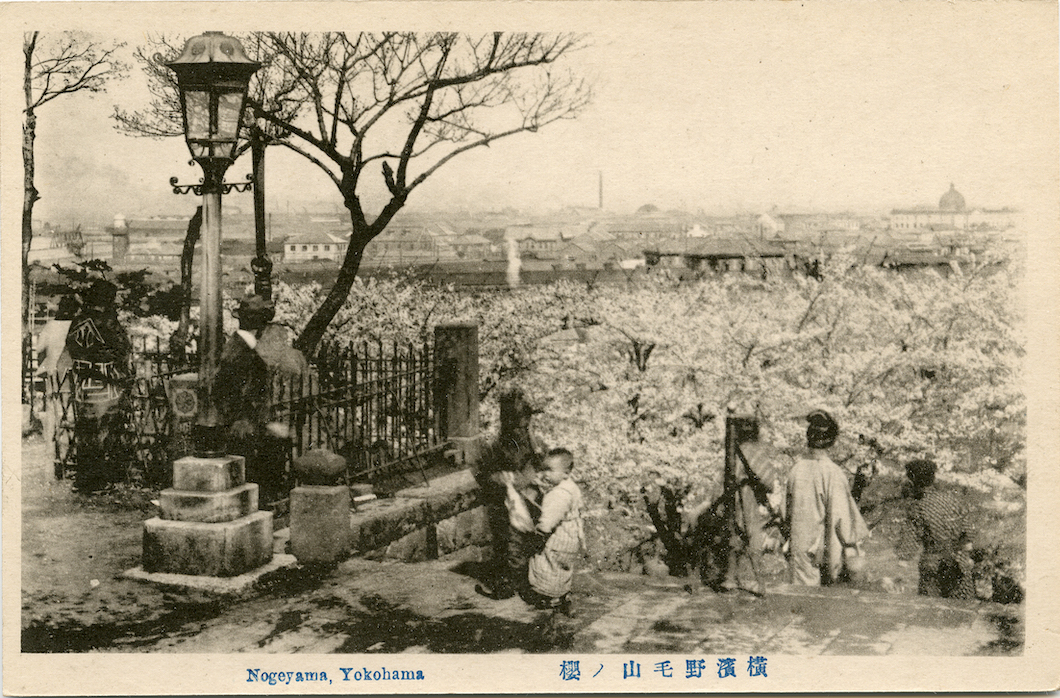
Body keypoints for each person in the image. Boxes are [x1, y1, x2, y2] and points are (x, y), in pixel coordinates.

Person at [213, 295, 289, 503]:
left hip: (253, 416)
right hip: (244, 418)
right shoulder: (239, 346)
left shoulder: (252, 344)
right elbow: (226, 386)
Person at [475, 388, 547, 600]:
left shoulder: (535, 444)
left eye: (525, 426)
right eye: (516, 426)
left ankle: (528, 581)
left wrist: (529, 473)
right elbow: (483, 473)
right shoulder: (496, 446)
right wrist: (501, 478)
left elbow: (544, 465)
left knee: (529, 542)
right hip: (506, 503)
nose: (520, 431)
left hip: (530, 501)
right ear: (506, 423)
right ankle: (509, 582)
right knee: (508, 542)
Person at [785, 410, 870, 586]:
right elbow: (842, 523)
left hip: (800, 550)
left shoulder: (796, 470)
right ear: (832, 441)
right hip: (823, 553)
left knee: (800, 603)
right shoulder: (833, 473)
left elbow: (786, 514)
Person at [66, 280, 133, 493]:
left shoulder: (78, 321)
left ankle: (84, 479)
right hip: (106, 385)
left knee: (86, 433)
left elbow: (73, 348)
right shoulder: (107, 322)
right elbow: (122, 348)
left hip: (83, 385)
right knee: (104, 433)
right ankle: (100, 479)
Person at [905, 459, 978, 599]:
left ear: (912, 480)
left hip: (933, 564)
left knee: (931, 610)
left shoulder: (917, 506)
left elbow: (909, 543)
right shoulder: (952, 500)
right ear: (933, 478)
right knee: (962, 608)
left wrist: (903, 559)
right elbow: (969, 532)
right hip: (959, 561)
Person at [524, 448, 585, 613]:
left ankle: (549, 597)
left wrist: (540, 532)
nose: (545, 474)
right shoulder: (570, 486)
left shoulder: (559, 495)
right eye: (543, 469)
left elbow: (550, 518)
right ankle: (562, 593)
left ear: (566, 473)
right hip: (571, 535)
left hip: (557, 536)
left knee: (546, 563)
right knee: (561, 566)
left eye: (550, 470)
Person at [36, 295, 78, 474]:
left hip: (55, 376)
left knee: (55, 412)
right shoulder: (77, 325)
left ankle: (56, 454)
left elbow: (38, 348)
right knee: (74, 412)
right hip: (74, 377)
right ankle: (73, 451)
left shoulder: (51, 326)